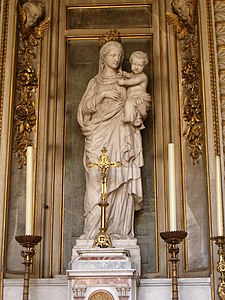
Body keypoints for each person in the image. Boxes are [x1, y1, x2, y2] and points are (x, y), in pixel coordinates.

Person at [77, 41, 144, 240]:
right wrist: (103, 95)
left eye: (119, 56)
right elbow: (83, 110)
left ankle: (118, 231)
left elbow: (139, 104)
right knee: (96, 181)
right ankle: (92, 232)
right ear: (103, 58)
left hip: (121, 134)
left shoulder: (127, 80)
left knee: (120, 179)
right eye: (113, 55)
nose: (117, 59)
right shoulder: (95, 83)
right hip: (98, 134)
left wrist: (134, 106)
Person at [118, 51, 151, 129]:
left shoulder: (143, 77)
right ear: (131, 63)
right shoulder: (132, 75)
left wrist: (123, 82)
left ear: (144, 66)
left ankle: (129, 118)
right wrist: (123, 73)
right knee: (130, 106)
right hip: (133, 98)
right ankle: (137, 122)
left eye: (140, 65)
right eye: (134, 64)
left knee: (129, 103)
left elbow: (132, 82)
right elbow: (128, 75)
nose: (136, 67)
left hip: (141, 98)